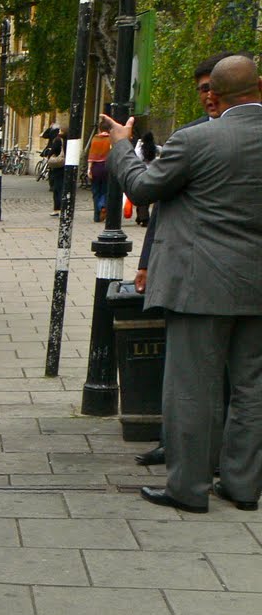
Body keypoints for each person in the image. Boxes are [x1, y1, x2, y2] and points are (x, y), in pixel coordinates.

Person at [103, 54, 262, 513]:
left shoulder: (195, 140)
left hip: (201, 285)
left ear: (215, 93)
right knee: (252, 389)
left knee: (193, 388)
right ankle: (243, 486)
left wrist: (121, 145)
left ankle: (188, 488)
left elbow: (142, 188)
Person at [131, 51, 237, 467]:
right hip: (194, 272)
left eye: (214, 88)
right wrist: (145, 262)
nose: (208, 97)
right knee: (188, 373)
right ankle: (178, 445)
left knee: (230, 376)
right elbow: (162, 205)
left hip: (229, 274)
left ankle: (222, 460)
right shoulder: (189, 136)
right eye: (202, 90)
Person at [86, 124, 112, 221]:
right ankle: (103, 205)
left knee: (95, 191)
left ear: (99, 129)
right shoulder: (111, 139)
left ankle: (96, 216)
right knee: (105, 190)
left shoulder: (95, 139)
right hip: (107, 167)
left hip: (95, 168)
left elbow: (91, 155)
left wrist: (89, 169)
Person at [43, 126, 67, 215]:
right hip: (67, 166)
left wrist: (49, 157)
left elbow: (52, 151)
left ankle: (57, 208)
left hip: (59, 166)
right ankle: (64, 207)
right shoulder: (70, 140)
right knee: (64, 187)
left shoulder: (58, 140)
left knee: (57, 188)